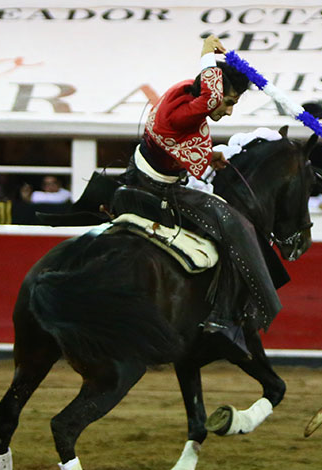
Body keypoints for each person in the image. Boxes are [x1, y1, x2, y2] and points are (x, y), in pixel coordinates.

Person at [118, 34, 279, 353]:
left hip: (143, 176)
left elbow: (179, 137)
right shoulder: (199, 103)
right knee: (235, 225)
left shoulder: (183, 99)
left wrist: (209, 154)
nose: (230, 111)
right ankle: (220, 317)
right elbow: (209, 98)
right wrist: (208, 53)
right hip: (162, 189)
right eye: (230, 102)